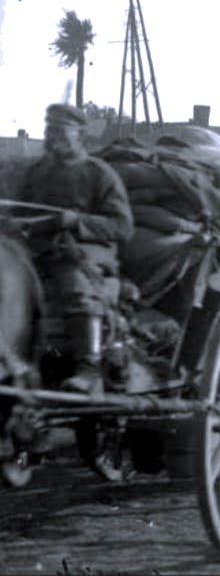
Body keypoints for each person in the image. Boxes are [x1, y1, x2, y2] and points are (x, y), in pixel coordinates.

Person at [18, 103, 134, 396]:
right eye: (49, 128)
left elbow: (122, 226)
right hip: (38, 249)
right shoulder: (37, 172)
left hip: (85, 252)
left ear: (80, 134)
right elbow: (21, 212)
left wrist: (76, 221)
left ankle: (89, 367)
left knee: (74, 281)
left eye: (60, 129)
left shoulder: (100, 174)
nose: (52, 135)